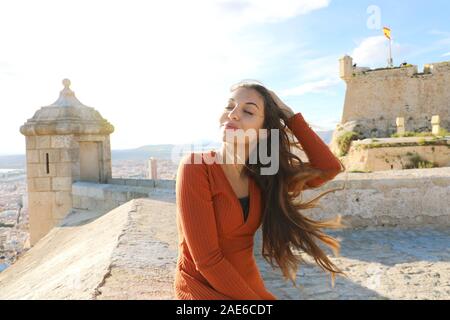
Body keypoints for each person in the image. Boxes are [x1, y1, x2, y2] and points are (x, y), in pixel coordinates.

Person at [173, 80, 346, 300]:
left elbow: (328, 168)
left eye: (248, 111)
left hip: (248, 287)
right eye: (229, 106)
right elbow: (207, 260)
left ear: (264, 131)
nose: (233, 114)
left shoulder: (264, 176)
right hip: (202, 290)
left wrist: (290, 116)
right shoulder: (196, 167)